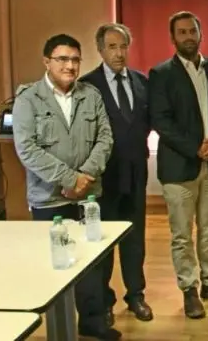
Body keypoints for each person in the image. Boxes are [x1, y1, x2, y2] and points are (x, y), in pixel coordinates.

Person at [12, 33, 120, 339]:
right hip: (50, 199)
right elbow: (27, 149)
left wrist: (84, 176)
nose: (70, 66)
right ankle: (60, 329)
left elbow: (105, 138)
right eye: (62, 59)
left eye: (75, 59)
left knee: (92, 263)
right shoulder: (28, 99)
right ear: (46, 61)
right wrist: (70, 180)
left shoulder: (91, 95)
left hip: (88, 197)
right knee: (57, 266)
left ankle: (92, 322)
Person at [149, 11, 208, 319]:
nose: (188, 36)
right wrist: (195, 148)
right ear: (173, 38)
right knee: (182, 234)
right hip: (179, 168)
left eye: (192, 31)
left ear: (201, 34)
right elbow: (161, 120)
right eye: (182, 32)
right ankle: (189, 288)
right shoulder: (160, 74)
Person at [79, 23, 153, 324]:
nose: (119, 53)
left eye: (123, 46)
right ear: (100, 50)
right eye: (112, 47)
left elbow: (146, 123)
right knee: (104, 240)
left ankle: (136, 295)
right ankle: (103, 301)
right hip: (103, 177)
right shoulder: (87, 85)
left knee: (134, 239)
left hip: (135, 173)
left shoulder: (141, 81)